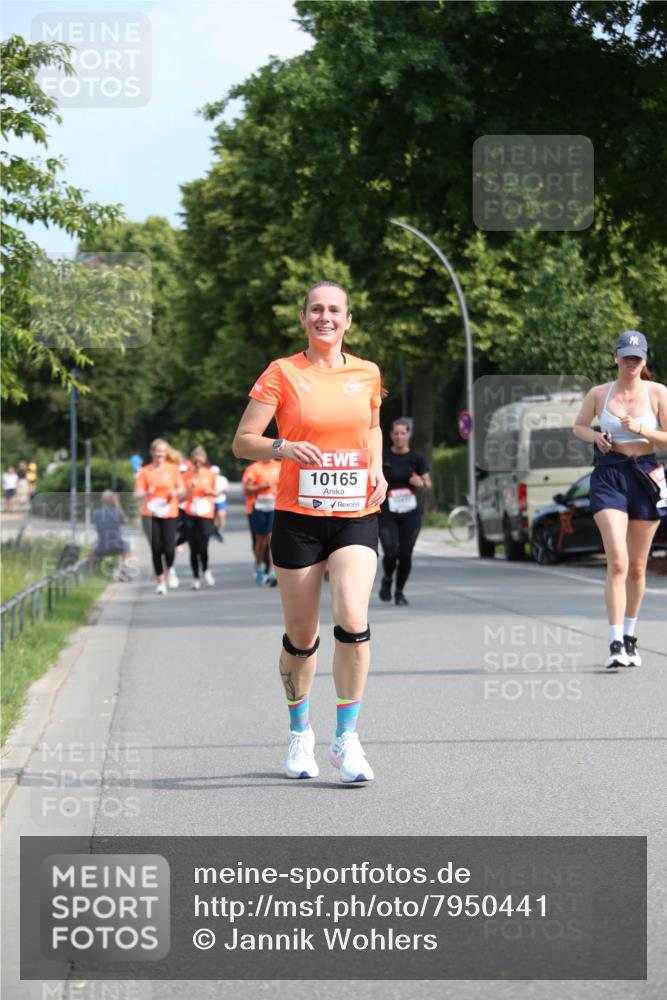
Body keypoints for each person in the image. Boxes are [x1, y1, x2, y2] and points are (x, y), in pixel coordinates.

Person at [233, 280, 387, 783]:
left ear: (348, 319)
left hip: (354, 513)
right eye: (316, 309)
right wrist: (283, 448)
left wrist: (378, 470)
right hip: (298, 517)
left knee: (352, 618)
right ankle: (300, 733)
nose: (326, 317)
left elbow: (371, 428)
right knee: (302, 638)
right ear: (303, 318)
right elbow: (243, 442)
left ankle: (348, 739)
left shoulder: (367, 373)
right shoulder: (282, 373)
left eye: (334, 310)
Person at [573, 331, 667, 669]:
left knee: (639, 567)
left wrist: (641, 429)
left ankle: (630, 635)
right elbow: (578, 426)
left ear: (644, 361)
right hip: (609, 475)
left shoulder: (658, 393)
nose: (631, 363)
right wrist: (596, 436)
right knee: (618, 561)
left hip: (645, 475)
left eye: (637, 358)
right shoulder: (600, 393)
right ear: (615, 358)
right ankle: (614, 642)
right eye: (626, 357)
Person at [378, 417, 432, 606]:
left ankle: (399, 592)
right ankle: (387, 579)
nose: (399, 437)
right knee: (391, 551)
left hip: (410, 512)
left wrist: (421, 483)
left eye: (403, 433)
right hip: (387, 511)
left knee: (406, 553)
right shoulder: (384, 457)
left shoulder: (416, 458)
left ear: (408, 435)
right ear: (391, 435)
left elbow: (428, 483)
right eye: (396, 433)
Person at [134, 439, 185, 594]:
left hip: (169, 512)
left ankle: (170, 567)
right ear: (152, 453)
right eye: (157, 451)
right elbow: (137, 494)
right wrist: (146, 492)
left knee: (169, 549)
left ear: (166, 453)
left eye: (163, 451)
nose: (160, 454)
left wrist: (175, 493)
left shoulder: (173, 469)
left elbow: (181, 488)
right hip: (150, 513)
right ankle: (161, 582)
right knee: (156, 548)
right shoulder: (145, 471)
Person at [182, 446, 218, 589]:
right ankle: (195, 577)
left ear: (204, 460)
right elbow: (181, 497)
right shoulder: (186, 476)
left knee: (203, 546)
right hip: (190, 514)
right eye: (195, 460)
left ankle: (206, 570)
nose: (198, 462)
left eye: (200, 459)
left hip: (206, 514)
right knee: (193, 548)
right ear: (192, 461)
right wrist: (190, 489)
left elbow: (217, 492)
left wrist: (210, 491)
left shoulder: (210, 474)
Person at [242, 459, 281, 585]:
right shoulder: (253, 468)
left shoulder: (279, 466)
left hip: (274, 507)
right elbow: (246, 490)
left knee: (272, 539)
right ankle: (259, 566)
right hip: (257, 507)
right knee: (261, 541)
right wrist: (262, 486)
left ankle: (272, 571)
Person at [92, 490, 131, 580]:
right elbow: (125, 521)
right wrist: (117, 504)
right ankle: (124, 572)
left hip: (101, 547)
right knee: (127, 546)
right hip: (117, 546)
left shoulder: (96, 513)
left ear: (102, 500)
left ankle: (91, 572)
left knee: (93, 548)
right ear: (113, 500)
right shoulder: (117, 513)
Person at [210, 465, 229, 542]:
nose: (215, 475)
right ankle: (214, 532)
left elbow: (227, 489)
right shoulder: (209, 479)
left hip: (220, 500)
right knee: (212, 519)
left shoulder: (223, 479)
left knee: (221, 516)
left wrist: (220, 492)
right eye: (213, 473)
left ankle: (220, 530)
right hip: (211, 501)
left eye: (216, 473)